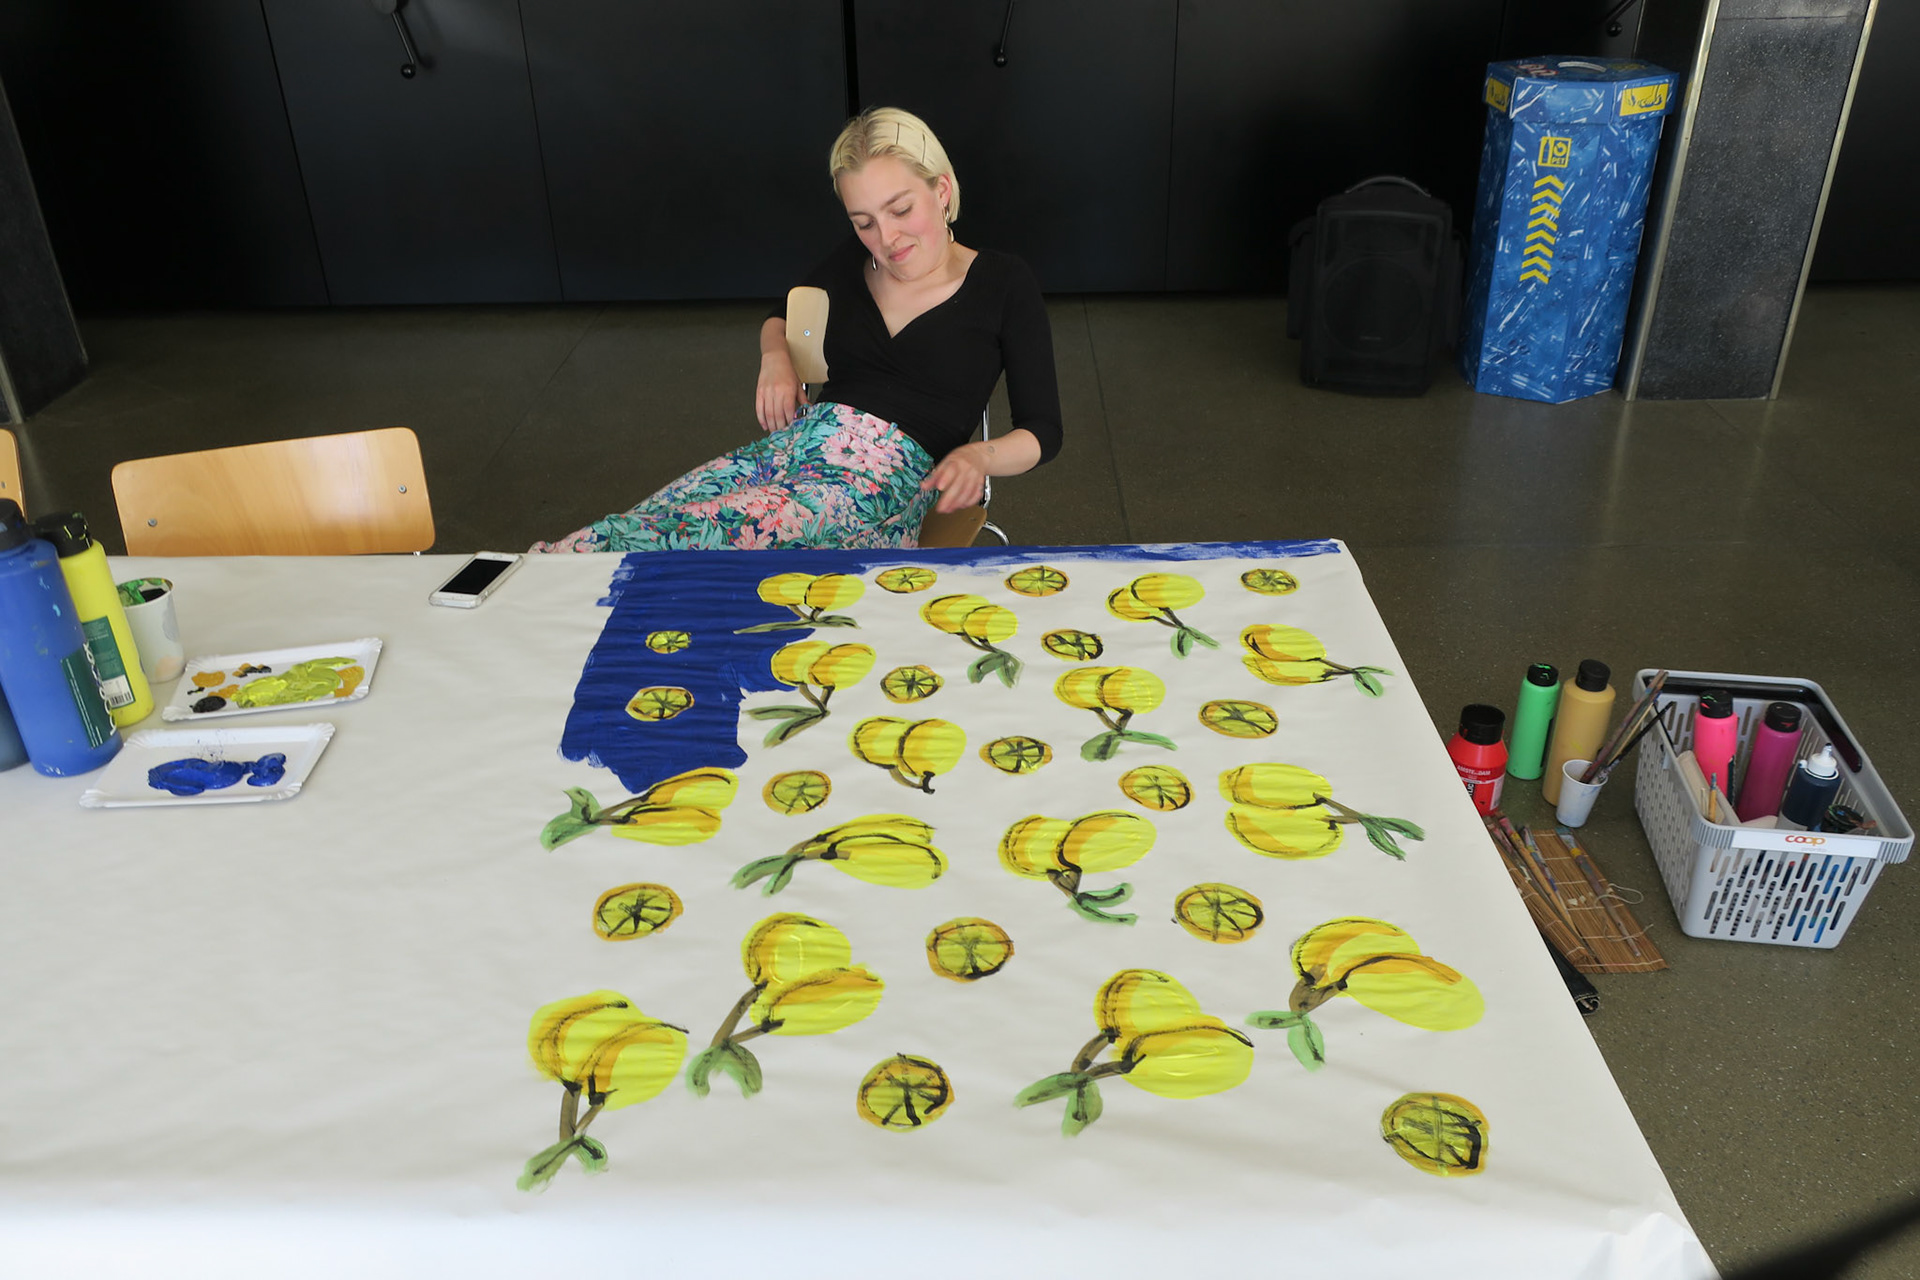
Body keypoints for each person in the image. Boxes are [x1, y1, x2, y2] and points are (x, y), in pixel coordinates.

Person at [531, 107, 1062, 553]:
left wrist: (978, 456)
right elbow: (782, 313)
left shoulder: (1002, 282)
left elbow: (1043, 429)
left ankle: (544, 590)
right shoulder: (855, 259)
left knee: (683, 539)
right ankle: (536, 590)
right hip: (794, 449)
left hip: (877, 484)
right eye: (864, 222)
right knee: (639, 525)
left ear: (941, 190)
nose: (886, 238)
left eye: (901, 210)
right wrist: (776, 358)